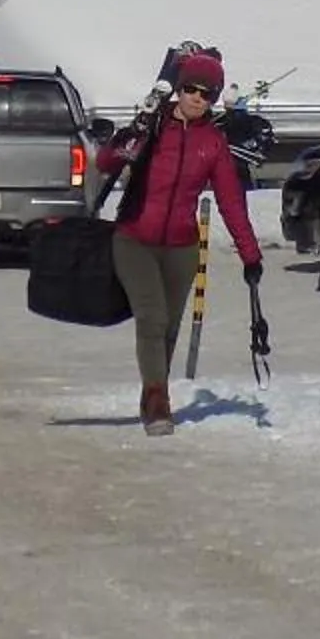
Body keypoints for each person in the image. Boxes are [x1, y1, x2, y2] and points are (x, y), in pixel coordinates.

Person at [99, 48, 264, 431]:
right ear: (178, 88)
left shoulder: (213, 143)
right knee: (152, 317)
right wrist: (132, 134)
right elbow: (106, 163)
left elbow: (230, 202)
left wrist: (250, 255)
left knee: (169, 326)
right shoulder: (153, 128)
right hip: (134, 238)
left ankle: (151, 390)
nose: (196, 98)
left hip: (182, 248)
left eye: (206, 93)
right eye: (190, 88)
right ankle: (159, 399)